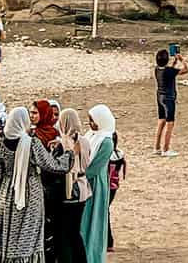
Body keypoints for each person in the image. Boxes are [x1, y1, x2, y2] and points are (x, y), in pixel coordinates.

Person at [0, 106, 71, 263]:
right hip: (30, 193)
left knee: (9, 231)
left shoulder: (0, 144)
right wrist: (68, 153)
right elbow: (54, 165)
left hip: (7, 193)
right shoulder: (32, 143)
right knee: (29, 234)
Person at [51, 108, 90, 263]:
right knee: (75, 233)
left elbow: (56, 167)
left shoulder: (63, 144)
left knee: (64, 235)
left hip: (68, 192)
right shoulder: (85, 141)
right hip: (83, 190)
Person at [80, 106, 115, 263]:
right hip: (85, 182)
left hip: (95, 186)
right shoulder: (91, 135)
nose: (90, 124)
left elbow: (94, 168)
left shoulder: (106, 142)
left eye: (93, 120)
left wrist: (78, 177)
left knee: (93, 219)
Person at [31, 101, 65, 261]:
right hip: (36, 187)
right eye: (31, 113)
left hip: (50, 186)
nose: (32, 116)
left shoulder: (55, 135)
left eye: (36, 113)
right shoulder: (31, 135)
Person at [152, 45, 188, 157]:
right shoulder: (169, 71)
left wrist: (175, 62)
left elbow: (170, 72)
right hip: (168, 98)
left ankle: (157, 147)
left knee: (161, 122)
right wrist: (182, 60)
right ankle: (166, 149)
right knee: (170, 123)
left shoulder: (157, 69)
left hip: (160, 97)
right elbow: (185, 70)